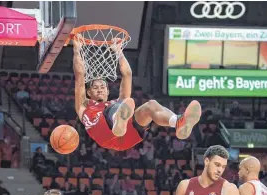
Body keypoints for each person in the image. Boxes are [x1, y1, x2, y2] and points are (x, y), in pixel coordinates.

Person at [73, 39, 202, 151]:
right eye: (95, 88)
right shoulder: (84, 106)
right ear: (88, 92)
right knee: (119, 105)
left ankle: (178, 122)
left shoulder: (116, 103)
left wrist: (118, 51)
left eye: (102, 87)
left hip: (128, 135)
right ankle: (118, 122)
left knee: (150, 105)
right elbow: (80, 76)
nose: (100, 90)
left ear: (107, 91)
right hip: (106, 135)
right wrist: (76, 50)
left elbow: (127, 74)